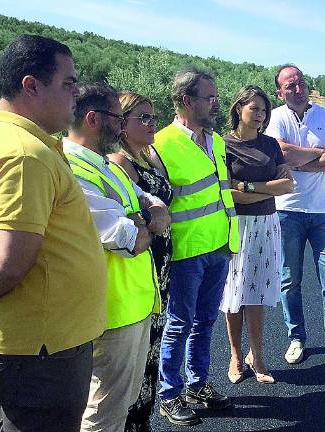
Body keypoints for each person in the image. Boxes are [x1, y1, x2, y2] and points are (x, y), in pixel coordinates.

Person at [0, 35, 108, 431]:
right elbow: (10, 261)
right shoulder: (24, 154)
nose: (76, 94)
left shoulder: (13, 143)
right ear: (31, 85)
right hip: (41, 350)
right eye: (68, 84)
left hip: (41, 344)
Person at [63, 83, 168, 432]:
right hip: (112, 310)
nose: (123, 127)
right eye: (118, 118)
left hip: (136, 304)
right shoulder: (74, 172)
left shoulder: (109, 167)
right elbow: (128, 239)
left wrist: (144, 219)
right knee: (103, 411)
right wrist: (144, 223)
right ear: (93, 119)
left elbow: (158, 209)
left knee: (122, 406)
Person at [153, 67, 239, 426]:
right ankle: (169, 395)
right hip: (188, 252)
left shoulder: (216, 140)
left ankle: (197, 385)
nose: (216, 103)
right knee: (179, 324)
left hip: (219, 244)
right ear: (187, 101)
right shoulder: (162, 145)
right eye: (210, 97)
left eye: (217, 96)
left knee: (205, 321)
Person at [265, 64, 325, 366]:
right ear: (280, 92)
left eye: (300, 83)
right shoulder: (274, 118)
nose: (297, 89)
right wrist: (320, 154)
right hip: (287, 210)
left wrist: (302, 162)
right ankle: (296, 337)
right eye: (289, 86)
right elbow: (281, 154)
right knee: (289, 279)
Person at [108, 92, 173, 432]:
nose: (152, 124)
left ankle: (142, 421)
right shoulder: (120, 161)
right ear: (122, 124)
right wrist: (154, 215)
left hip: (162, 266)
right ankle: (132, 424)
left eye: (153, 117)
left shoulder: (149, 155)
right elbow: (134, 216)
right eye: (143, 118)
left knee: (153, 351)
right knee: (139, 355)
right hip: (142, 263)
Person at [221, 85, 293, 385]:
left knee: (257, 294)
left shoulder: (271, 145)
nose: (260, 115)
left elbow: (287, 185)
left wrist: (248, 187)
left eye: (263, 110)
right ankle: (236, 356)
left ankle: (258, 356)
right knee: (233, 294)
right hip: (235, 226)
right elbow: (226, 194)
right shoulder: (221, 145)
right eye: (254, 109)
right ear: (239, 108)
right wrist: (266, 188)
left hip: (266, 225)